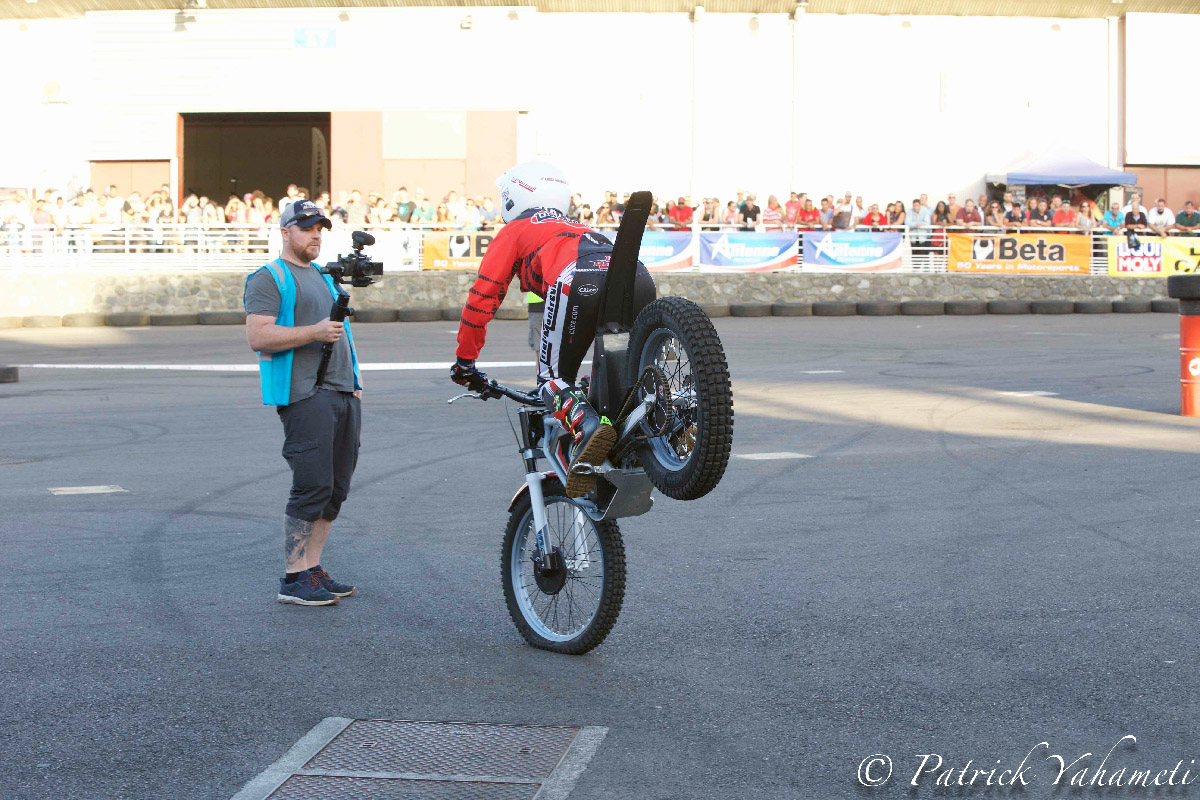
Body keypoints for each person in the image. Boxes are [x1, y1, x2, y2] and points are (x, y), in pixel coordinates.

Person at [450, 162, 655, 498]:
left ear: (514, 196)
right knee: (622, 379)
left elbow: (482, 298)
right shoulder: (580, 225)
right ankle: (659, 422)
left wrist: (464, 361)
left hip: (579, 279)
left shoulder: (516, 229)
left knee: (551, 382)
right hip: (636, 276)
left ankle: (588, 428)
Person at [243, 199, 363, 607]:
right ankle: (293, 577)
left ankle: (312, 568)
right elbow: (259, 337)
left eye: (320, 229)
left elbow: (342, 335)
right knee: (311, 485)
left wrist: (356, 384)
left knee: (335, 489)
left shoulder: (324, 277)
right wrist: (312, 331)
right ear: (285, 232)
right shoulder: (268, 278)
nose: (315, 235)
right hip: (305, 394)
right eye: (307, 227)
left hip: (342, 393)